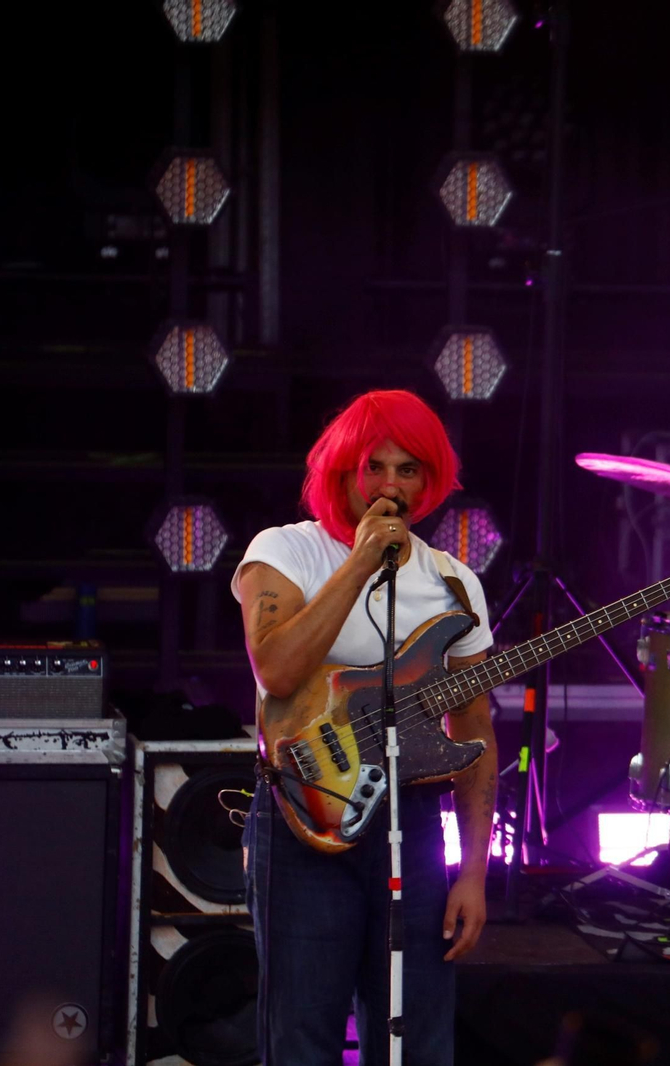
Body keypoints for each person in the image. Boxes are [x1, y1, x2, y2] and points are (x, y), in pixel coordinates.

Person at [231, 389, 497, 1066]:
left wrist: (473, 871)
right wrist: (359, 561)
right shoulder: (286, 551)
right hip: (302, 817)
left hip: (410, 823)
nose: (390, 484)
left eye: (408, 469)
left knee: (415, 1041)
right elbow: (277, 670)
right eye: (373, 467)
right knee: (300, 1038)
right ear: (342, 470)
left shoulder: (455, 583)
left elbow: (474, 731)